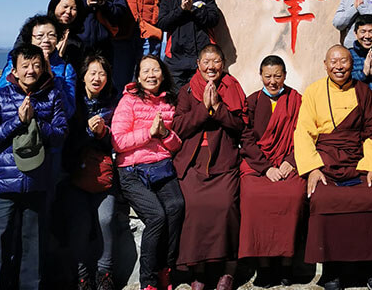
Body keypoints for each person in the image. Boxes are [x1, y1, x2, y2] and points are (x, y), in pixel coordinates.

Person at [294, 45, 372, 290]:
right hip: (326, 164)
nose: (339, 66)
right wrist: (312, 169)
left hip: (357, 161)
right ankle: (332, 270)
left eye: (344, 61)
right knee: (322, 197)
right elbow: (303, 133)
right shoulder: (314, 91)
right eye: (333, 61)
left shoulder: (364, 91)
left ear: (351, 64)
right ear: (325, 65)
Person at [0, 44, 68, 290]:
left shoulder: (52, 96)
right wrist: (17, 121)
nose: (31, 70)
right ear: (14, 71)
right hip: (4, 184)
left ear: (43, 68)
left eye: (36, 65)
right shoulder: (0, 96)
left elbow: (60, 135)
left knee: (33, 247)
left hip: (37, 183)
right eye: (24, 66)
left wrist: (35, 120)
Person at [172, 44, 246, 290]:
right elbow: (179, 127)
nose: (210, 66)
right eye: (206, 61)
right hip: (193, 160)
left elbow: (240, 125)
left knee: (226, 205)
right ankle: (199, 271)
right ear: (198, 65)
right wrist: (204, 110)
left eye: (216, 62)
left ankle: (228, 270)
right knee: (192, 206)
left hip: (223, 160)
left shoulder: (233, 87)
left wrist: (219, 109)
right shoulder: (186, 91)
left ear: (223, 65)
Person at [111, 55, 185, 290]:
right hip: (132, 170)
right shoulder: (128, 101)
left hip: (161, 167)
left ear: (163, 74)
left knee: (176, 207)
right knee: (156, 216)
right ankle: (149, 280)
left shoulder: (169, 102)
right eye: (146, 71)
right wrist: (149, 133)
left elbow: (176, 145)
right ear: (138, 76)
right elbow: (118, 142)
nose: (151, 75)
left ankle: (167, 269)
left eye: (155, 70)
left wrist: (164, 134)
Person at [239, 56, 305, 287]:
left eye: (277, 76)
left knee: (293, 195)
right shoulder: (252, 101)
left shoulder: (296, 99)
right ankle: (264, 266)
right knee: (252, 197)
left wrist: (290, 160)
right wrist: (266, 168)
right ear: (261, 76)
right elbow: (245, 138)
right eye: (268, 76)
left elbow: (304, 134)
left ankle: (286, 264)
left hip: (288, 162)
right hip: (259, 164)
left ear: (285, 75)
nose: (273, 81)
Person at [63, 55, 118, 290]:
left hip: (104, 173)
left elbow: (117, 142)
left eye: (102, 73)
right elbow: (67, 141)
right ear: (83, 75)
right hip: (75, 173)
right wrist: (87, 131)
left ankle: (105, 273)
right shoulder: (72, 103)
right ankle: (82, 275)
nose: (97, 78)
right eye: (92, 73)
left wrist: (103, 134)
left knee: (106, 219)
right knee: (81, 222)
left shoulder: (114, 103)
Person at [156, 0, 221, 89]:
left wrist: (193, 9)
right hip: (176, 60)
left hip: (201, 60)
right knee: (177, 101)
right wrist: (181, 10)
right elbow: (162, 24)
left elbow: (214, 19)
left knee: (201, 100)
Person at [0, 14, 77, 118]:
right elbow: (2, 96)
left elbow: (69, 111)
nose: (46, 40)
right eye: (40, 36)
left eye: (51, 35)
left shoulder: (66, 69)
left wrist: (53, 80)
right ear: (30, 39)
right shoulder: (15, 62)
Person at [47, 0, 86, 70]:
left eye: (73, 9)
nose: (68, 11)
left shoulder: (77, 42)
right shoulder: (37, 29)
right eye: (65, 6)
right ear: (54, 6)